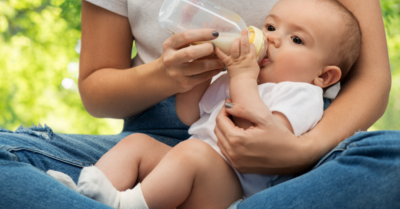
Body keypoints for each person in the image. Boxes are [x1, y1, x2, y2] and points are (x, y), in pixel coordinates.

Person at [0, 0, 398, 208]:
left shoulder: (301, 94)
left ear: (324, 76)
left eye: (296, 40)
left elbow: (252, 132)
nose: (273, 38)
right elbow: (190, 115)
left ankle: (132, 204)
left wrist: (244, 77)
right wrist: (185, 77)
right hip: (169, 135)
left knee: (391, 159)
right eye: (272, 27)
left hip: (242, 177)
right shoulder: (238, 76)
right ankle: (86, 194)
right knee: (136, 148)